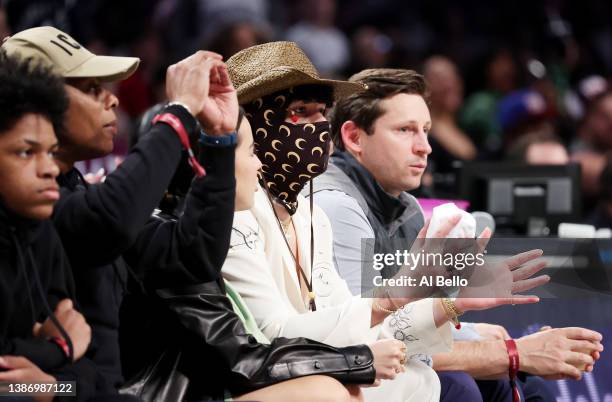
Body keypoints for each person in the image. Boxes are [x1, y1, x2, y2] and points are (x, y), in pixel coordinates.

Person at [221, 42, 550, 402]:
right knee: (447, 386)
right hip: (260, 382)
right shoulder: (236, 214)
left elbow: (359, 324)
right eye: (300, 112)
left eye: (321, 113)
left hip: (318, 368)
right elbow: (273, 334)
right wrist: (394, 296)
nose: (318, 128)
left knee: (424, 380)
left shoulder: (310, 213)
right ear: (252, 127)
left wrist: (455, 306)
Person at [312, 67, 602, 402]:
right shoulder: (337, 204)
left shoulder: (406, 207)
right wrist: (511, 352)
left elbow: (411, 326)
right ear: (354, 137)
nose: (425, 147)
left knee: (524, 385)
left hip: (387, 357)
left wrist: (476, 336)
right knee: (462, 387)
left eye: (426, 130)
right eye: (405, 130)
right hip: (345, 368)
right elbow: (366, 339)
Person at [1, 25, 237, 395]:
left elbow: (193, 253)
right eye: (91, 88)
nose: (111, 100)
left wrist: (219, 139)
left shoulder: (71, 193)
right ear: (37, 102)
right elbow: (18, 387)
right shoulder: (42, 215)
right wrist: (177, 115)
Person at [119, 104, 409, 402]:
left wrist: (438, 307)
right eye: (250, 151)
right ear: (211, 163)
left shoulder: (312, 215)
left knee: (408, 380)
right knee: (328, 392)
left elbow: (348, 319)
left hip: (232, 376)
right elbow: (247, 352)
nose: (258, 165)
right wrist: (356, 359)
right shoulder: (176, 239)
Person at [0, 50, 94, 401]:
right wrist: (58, 349)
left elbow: (87, 379)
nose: (50, 169)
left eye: (51, 153)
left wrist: (53, 388)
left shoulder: (41, 232)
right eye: (26, 152)